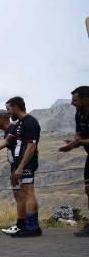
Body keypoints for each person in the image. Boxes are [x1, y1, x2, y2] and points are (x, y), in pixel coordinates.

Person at [0, 97, 42, 237]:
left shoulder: (30, 122)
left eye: (8, 109)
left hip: (26, 162)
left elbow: (32, 145)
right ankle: (29, 226)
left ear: (16, 107)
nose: (8, 113)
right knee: (23, 193)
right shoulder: (19, 124)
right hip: (18, 163)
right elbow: (6, 141)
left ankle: (31, 227)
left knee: (28, 193)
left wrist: (21, 166)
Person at [58, 86, 89, 237]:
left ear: (85, 99)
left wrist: (77, 143)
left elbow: (82, 141)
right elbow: (79, 134)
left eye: (75, 100)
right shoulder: (79, 113)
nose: (72, 103)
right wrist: (74, 142)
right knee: (88, 189)